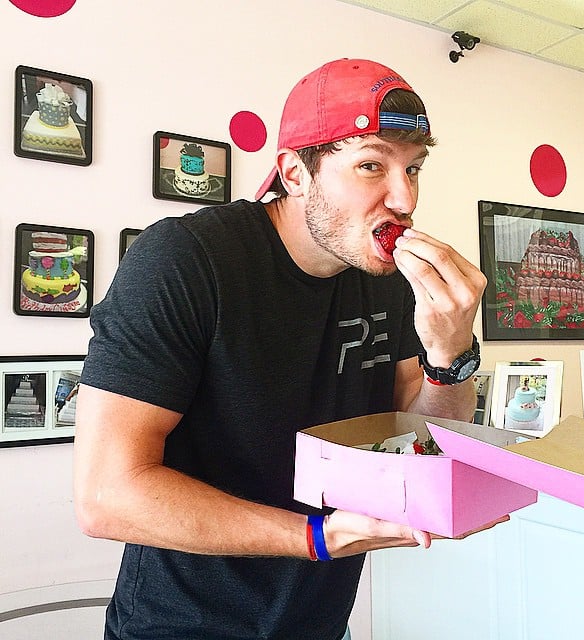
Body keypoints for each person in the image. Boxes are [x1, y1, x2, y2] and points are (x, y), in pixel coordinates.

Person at [73, 58, 497, 640]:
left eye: (414, 168)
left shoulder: (388, 277)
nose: (404, 198)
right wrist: (315, 538)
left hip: (320, 622)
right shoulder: (185, 260)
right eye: (371, 165)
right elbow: (106, 496)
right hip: (179, 626)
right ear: (295, 173)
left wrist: (450, 358)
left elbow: (418, 444)